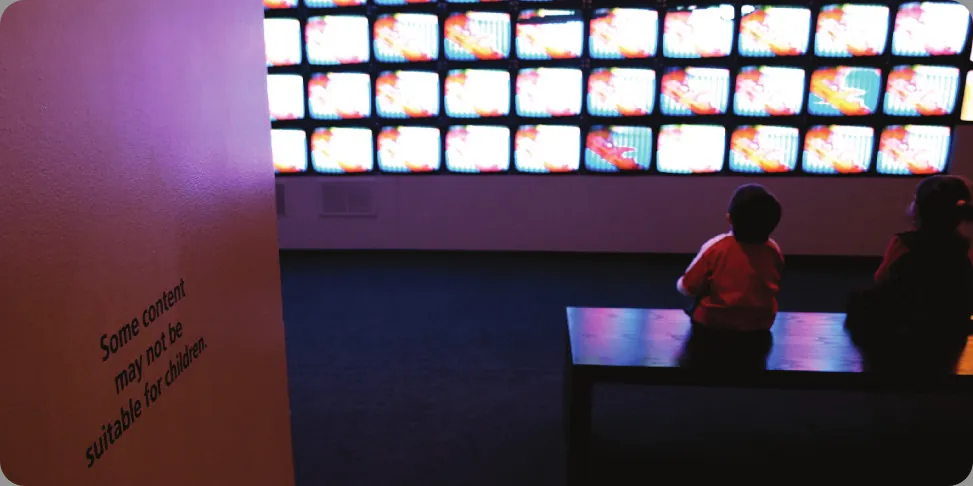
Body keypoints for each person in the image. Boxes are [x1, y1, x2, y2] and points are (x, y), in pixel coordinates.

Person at [846, 176, 973, 357]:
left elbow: (881, 278)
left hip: (903, 326)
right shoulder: (964, 246)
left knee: (857, 302)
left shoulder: (903, 243)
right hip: (949, 328)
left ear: (919, 209)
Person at [677, 184, 784, 333]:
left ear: (729, 218)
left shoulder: (716, 247)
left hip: (712, 324)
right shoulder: (774, 249)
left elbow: (688, 287)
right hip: (759, 326)